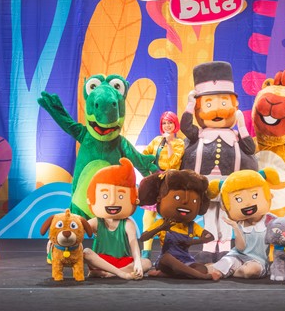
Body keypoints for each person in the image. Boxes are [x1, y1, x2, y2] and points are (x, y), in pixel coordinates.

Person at [180, 61, 258, 262]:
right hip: (206, 182)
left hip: (228, 183)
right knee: (208, 214)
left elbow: (251, 149)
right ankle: (209, 245)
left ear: (234, 105)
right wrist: (189, 104)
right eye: (208, 104)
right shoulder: (199, 134)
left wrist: (242, 126)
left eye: (224, 103)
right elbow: (185, 127)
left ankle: (223, 246)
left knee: (225, 215)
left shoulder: (235, 136)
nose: (216, 111)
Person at [82, 158, 152, 279]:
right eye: (105, 195)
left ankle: (110, 273)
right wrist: (55, 240)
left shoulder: (127, 223)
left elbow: (133, 243)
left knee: (147, 262)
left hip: (123, 261)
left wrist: (137, 262)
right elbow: (77, 232)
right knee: (86, 252)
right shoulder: (96, 222)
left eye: (121, 196)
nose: (112, 202)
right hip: (102, 262)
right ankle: (120, 273)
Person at [138, 169, 214, 280]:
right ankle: (201, 276)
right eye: (177, 198)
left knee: (202, 268)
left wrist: (192, 242)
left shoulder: (191, 226)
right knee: (167, 258)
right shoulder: (163, 223)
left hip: (185, 260)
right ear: (159, 199)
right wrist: (161, 228)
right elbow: (143, 238)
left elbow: (209, 237)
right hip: (166, 262)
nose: (185, 204)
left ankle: (172, 274)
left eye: (194, 201)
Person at [205, 169, 278, 280]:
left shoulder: (270, 220)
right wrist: (235, 227)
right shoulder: (240, 223)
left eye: (254, 195)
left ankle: (230, 271)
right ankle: (222, 269)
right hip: (237, 256)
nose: (248, 203)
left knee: (252, 270)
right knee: (217, 267)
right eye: (238, 199)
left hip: (258, 260)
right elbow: (240, 248)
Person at [140, 111, 185, 258]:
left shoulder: (179, 143)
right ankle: (146, 251)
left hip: (171, 182)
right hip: (155, 180)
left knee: (169, 216)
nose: (167, 125)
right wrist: (149, 168)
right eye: (164, 123)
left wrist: (169, 143)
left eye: (170, 122)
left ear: (175, 124)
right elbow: (145, 155)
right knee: (148, 215)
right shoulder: (156, 140)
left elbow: (173, 162)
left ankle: (170, 251)